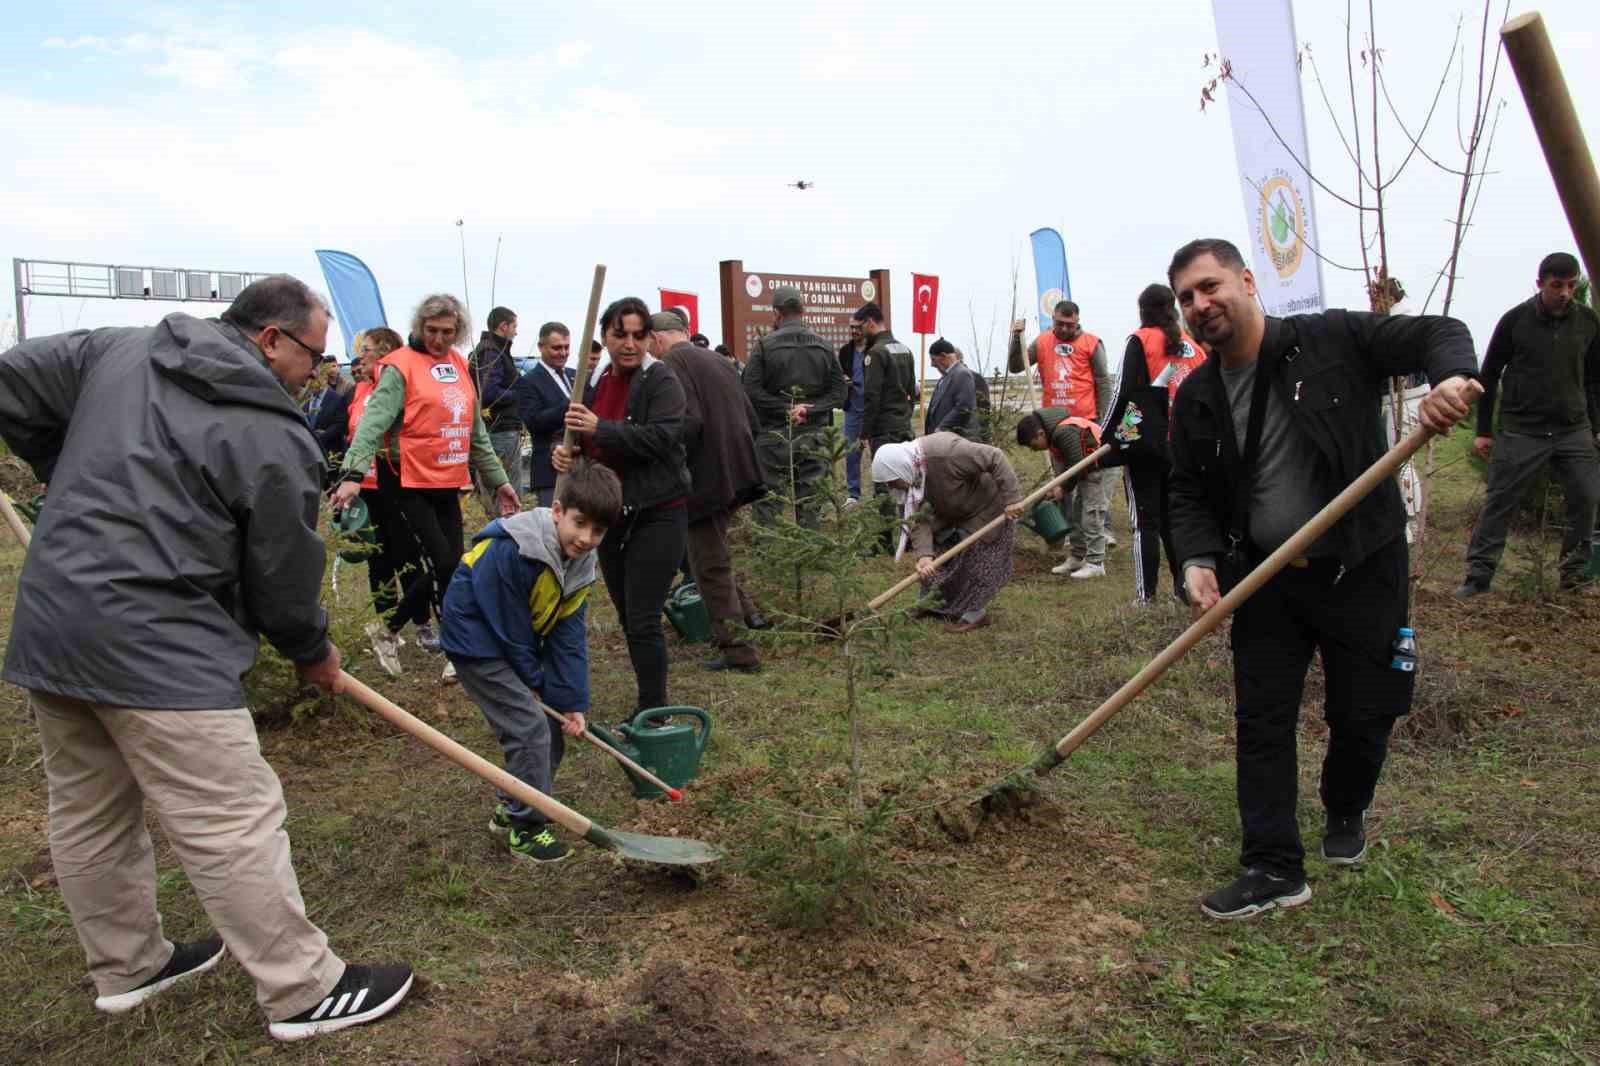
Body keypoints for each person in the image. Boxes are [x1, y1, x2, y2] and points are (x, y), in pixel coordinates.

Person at [0, 275, 413, 1041]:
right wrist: (309, 650)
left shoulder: (117, 354)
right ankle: (301, 990)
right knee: (230, 818)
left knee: (90, 811)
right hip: (161, 645)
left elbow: (11, 381)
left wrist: (62, 461)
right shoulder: (272, 434)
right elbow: (283, 572)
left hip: (56, 626)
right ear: (270, 339)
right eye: (315, 359)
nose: (318, 376)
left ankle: (128, 968)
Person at [1165, 238, 1478, 920]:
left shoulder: (1333, 339)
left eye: (1210, 286)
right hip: (1267, 582)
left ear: (1247, 281)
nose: (1200, 304)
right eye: (1186, 297)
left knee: (1364, 712)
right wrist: (1196, 561)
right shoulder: (1198, 397)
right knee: (1262, 720)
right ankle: (1273, 865)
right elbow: (1185, 490)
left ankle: (1347, 804)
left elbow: (1438, 333)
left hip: (1361, 566)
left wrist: (1452, 379)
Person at [442, 458, 623, 864]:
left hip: (513, 640)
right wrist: (533, 682)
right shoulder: (513, 549)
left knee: (552, 727)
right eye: (579, 523)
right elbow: (510, 629)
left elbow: (568, 636)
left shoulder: (581, 563)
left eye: (598, 530)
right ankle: (526, 828)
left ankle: (513, 806)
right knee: (528, 728)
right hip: (477, 641)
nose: (586, 538)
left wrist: (570, 700)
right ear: (557, 511)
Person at [333, 294, 519, 684]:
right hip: (403, 478)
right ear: (418, 327)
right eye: (431, 331)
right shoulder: (399, 367)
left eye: (447, 332)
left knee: (453, 563)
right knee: (445, 562)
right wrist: (351, 474)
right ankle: (456, 646)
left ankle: (390, 631)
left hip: (446, 479)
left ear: (459, 332)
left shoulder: (457, 365)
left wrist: (500, 482)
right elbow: (372, 424)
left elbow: (475, 433)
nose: (438, 339)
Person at [552, 297, 692, 714]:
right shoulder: (597, 382)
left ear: (649, 337)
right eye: (620, 335)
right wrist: (570, 456)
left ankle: (654, 707)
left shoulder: (661, 381)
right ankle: (649, 696)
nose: (629, 344)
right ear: (605, 337)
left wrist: (602, 428)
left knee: (644, 616)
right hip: (611, 515)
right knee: (627, 612)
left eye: (637, 335)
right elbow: (590, 444)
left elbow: (660, 438)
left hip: (658, 511)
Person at [1457, 252, 1600, 597]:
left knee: (1586, 498)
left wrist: (1597, 425)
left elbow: (1595, 379)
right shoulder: (1515, 321)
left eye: (1571, 285)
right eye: (1556, 285)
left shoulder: (1588, 322)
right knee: (1500, 501)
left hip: (1572, 428)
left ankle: (1575, 576)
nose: (1564, 292)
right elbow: (1488, 375)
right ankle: (1478, 577)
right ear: (1540, 284)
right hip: (1522, 429)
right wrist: (1483, 431)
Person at [653, 311, 769, 672]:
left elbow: (686, 422)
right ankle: (751, 615)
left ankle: (739, 651)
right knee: (713, 553)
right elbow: (751, 416)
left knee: (708, 566)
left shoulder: (671, 363)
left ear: (657, 339)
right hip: (737, 470)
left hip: (705, 478)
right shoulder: (719, 360)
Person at [1100, 284, 1210, 604]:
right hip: (1187, 448)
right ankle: (1184, 589)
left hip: (1148, 446)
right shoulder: (1193, 346)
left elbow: (1122, 394)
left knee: (1145, 523)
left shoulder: (1140, 340)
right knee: (1176, 519)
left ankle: (1145, 597)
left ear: (1142, 310)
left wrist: (1104, 438)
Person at [339, 327, 432, 676]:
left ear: (389, 352)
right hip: (367, 489)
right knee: (377, 560)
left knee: (408, 555)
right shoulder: (361, 389)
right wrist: (348, 477)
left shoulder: (395, 385)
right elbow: (354, 436)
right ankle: (386, 626)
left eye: (369, 350)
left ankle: (421, 622)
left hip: (400, 482)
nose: (362, 357)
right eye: (361, 351)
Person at [872, 432, 1022, 632]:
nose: (890, 486)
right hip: (951, 511)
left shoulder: (946, 453)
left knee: (979, 561)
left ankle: (976, 615)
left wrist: (1012, 499)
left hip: (985, 507)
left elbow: (995, 456)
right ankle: (931, 604)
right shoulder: (911, 473)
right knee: (936, 560)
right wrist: (924, 555)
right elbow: (918, 517)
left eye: (892, 481)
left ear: (900, 467)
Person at [1010, 300, 1115, 574]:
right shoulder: (1043, 341)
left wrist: (1104, 421)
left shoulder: (1092, 343)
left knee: (1089, 489)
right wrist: (1016, 338)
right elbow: (1016, 365)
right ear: (1052, 319)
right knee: (1068, 492)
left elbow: (1104, 382)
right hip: (1052, 429)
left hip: (1085, 427)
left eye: (1070, 324)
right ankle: (1076, 551)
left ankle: (1097, 548)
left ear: (1078, 320)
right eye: (1060, 323)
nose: (1065, 328)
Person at [742, 285, 847, 525]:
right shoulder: (824, 345)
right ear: (803, 310)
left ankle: (768, 559)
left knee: (768, 506)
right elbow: (839, 392)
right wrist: (810, 409)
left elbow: (749, 390)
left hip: (773, 437)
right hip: (815, 436)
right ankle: (812, 558)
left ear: (777, 313)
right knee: (811, 504)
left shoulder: (764, 346)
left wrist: (785, 409)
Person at [855, 301, 919, 552]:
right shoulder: (904, 349)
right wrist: (904, 416)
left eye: (861, 327)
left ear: (871, 322)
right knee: (909, 482)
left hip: (884, 428)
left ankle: (884, 543)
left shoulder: (876, 353)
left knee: (883, 483)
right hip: (904, 425)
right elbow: (912, 392)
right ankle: (913, 537)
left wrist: (865, 433)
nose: (859, 333)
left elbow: (871, 397)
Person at [1015, 407, 1105, 577]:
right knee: (1078, 514)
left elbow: (1078, 464)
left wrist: (1063, 488)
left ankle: (1096, 563)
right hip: (1087, 469)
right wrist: (1058, 487)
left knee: (1092, 513)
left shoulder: (1063, 432)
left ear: (1041, 433)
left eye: (1033, 445)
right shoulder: (1055, 435)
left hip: (1099, 466)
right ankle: (1078, 557)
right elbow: (1069, 464)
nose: (1034, 450)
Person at [515, 322, 578, 507]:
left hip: (579, 468)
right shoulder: (528, 381)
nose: (563, 353)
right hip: (549, 471)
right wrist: (568, 407)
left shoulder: (576, 375)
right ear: (541, 347)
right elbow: (534, 421)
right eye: (557, 348)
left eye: (567, 347)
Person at [469, 306, 525, 513]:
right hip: (500, 429)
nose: (516, 332)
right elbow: (489, 392)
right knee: (507, 495)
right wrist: (518, 393)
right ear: (503, 326)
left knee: (500, 493)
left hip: (496, 428)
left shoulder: (490, 350)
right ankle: (506, 535)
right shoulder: (491, 352)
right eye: (514, 326)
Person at [839, 320, 870, 503]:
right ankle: (853, 494)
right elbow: (838, 372)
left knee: (877, 450)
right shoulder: (845, 351)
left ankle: (880, 491)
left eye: (857, 328)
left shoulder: (874, 350)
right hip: (852, 407)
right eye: (851, 328)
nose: (854, 331)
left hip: (872, 408)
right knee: (851, 451)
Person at [924, 337, 981, 440]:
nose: (931, 364)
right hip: (942, 440)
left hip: (955, 440)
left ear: (943, 356)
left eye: (933, 359)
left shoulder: (962, 374)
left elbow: (964, 407)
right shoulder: (946, 376)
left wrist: (941, 429)